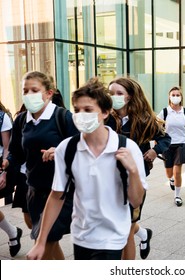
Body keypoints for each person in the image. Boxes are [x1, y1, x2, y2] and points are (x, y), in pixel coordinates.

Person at [26, 77, 147, 260]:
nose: (81, 115)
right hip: (81, 236)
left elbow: (136, 200)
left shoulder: (128, 148)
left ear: (105, 112)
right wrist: (41, 241)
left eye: (88, 110)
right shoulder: (66, 149)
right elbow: (56, 196)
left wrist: (133, 171)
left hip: (112, 237)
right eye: (77, 110)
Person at [3, 71, 79, 259]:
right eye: (25, 90)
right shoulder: (21, 120)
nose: (29, 94)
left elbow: (79, 148)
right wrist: (7, 163)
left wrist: (59, 150)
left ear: (49, 93)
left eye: (34, 90)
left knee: (45, 241)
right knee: (46, 241)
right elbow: (16, 153)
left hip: (60, 190)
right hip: (34, 188)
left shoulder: (63, 117)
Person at [107, 77, 171, 260]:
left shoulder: (144, 119)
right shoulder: (105, 118)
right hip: (109, 179)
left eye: (119, 93)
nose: (114, 97)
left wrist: (154, 150)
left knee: (126, 232)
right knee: (117, 224)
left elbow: (165, 139)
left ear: (130, 97)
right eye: (111, 93)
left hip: (134, 180)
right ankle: (143, 233)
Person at [157, 86, 185, 207]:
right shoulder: (164, 112)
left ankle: (177, 196)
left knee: (177, 170)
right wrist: (157, 145)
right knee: (169, 173)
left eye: (177, 95)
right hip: (167, 145)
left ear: (181, 97)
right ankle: (171, 179)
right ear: (169, 97)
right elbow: (157, 129)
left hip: (181, 144)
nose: (175, 97)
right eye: (173, 95)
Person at [0, 101, 22, 258]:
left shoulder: (2, 118)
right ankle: (13, 232)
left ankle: (13, 232)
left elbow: (8, 147)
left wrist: (3, 172)